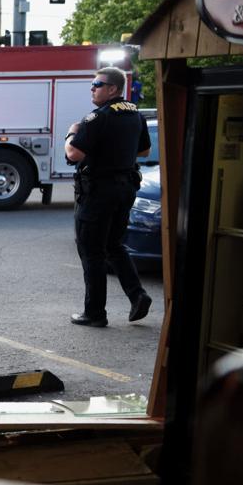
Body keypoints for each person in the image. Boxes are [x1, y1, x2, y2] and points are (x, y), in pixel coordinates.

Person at [64, 66, 152, 328]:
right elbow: (145, 151)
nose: (92, 88)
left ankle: (94, 313)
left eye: (97, 84)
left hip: (99, 191)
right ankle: (138, 295)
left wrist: (71, 133)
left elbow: (73, 154)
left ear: (113, 89)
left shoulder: (97, 117)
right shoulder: (135, 115)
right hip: (124, 188)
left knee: (91, 251)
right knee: (114, 245)